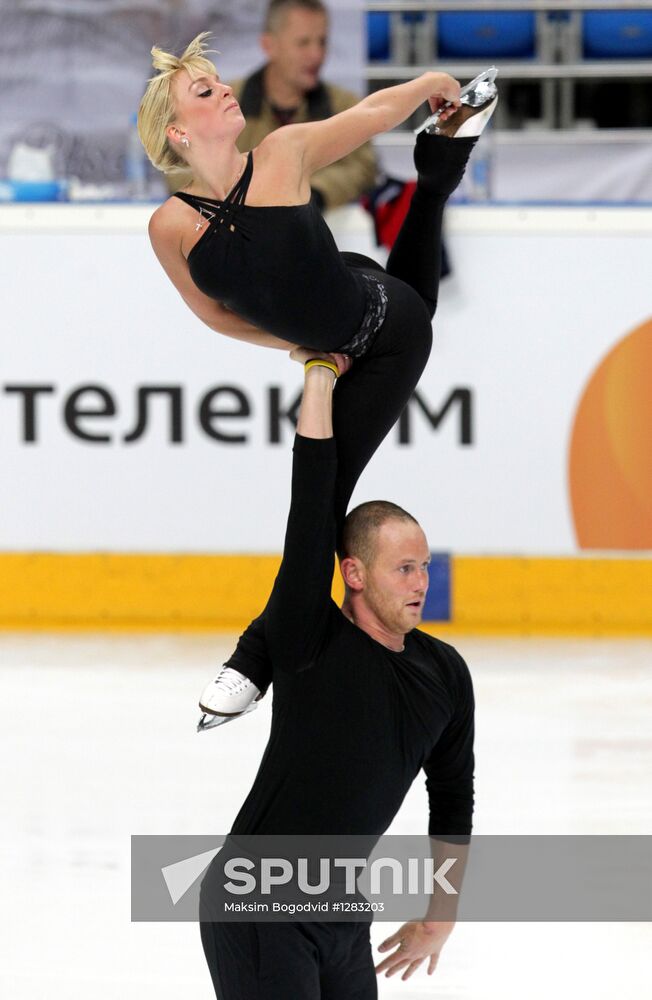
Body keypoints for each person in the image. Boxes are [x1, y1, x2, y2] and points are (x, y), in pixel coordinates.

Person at [197, 348, 475, 996]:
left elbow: (452, 796)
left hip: (340, 907)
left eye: (426, 566)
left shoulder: (446, 673)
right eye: (402, 568)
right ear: (353, 573)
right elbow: (311, 499)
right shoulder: (308, 637)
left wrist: (442, 911)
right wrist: (320, 374)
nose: (420, 583)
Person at [168, 0, 378, 212]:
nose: (316, 55)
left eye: (322, 42)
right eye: (303, 43)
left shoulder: (344, 106)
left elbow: (362, 168)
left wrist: (313, 194)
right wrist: (240, 192)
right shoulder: (224, 100)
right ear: (269, 45)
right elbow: (178, 168)